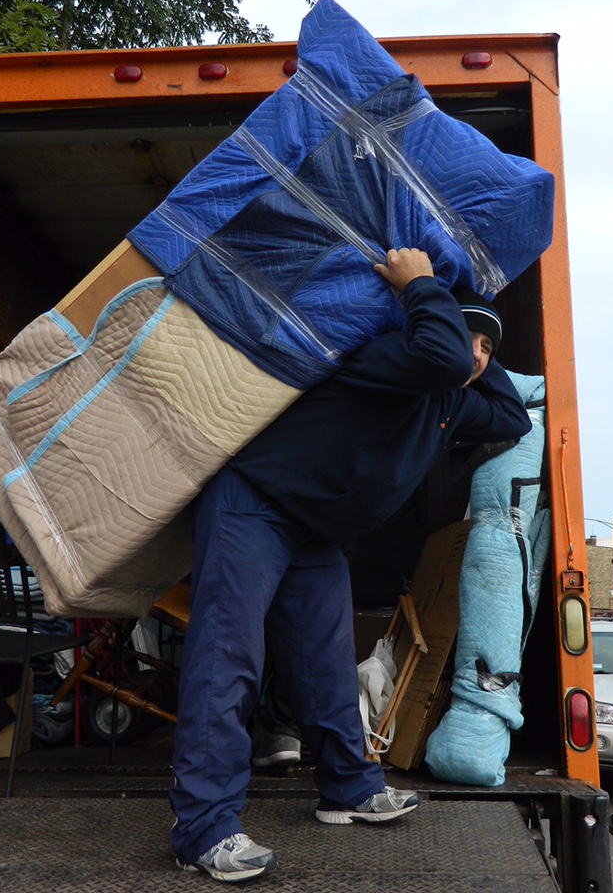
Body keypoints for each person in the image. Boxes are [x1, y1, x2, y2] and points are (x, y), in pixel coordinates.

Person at [170, 247, 532, 882]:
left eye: (487, 348)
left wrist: (481, 350)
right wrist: (422, 286)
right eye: (466, 337)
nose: (475, 356)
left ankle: (347, 787)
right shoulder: (388, 359)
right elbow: (443, 356)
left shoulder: (448, 404)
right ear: (431, 328)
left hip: (317, 535)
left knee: (327, 665)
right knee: (228, 659)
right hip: (255, 503)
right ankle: (203, 828)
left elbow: (510, 416)